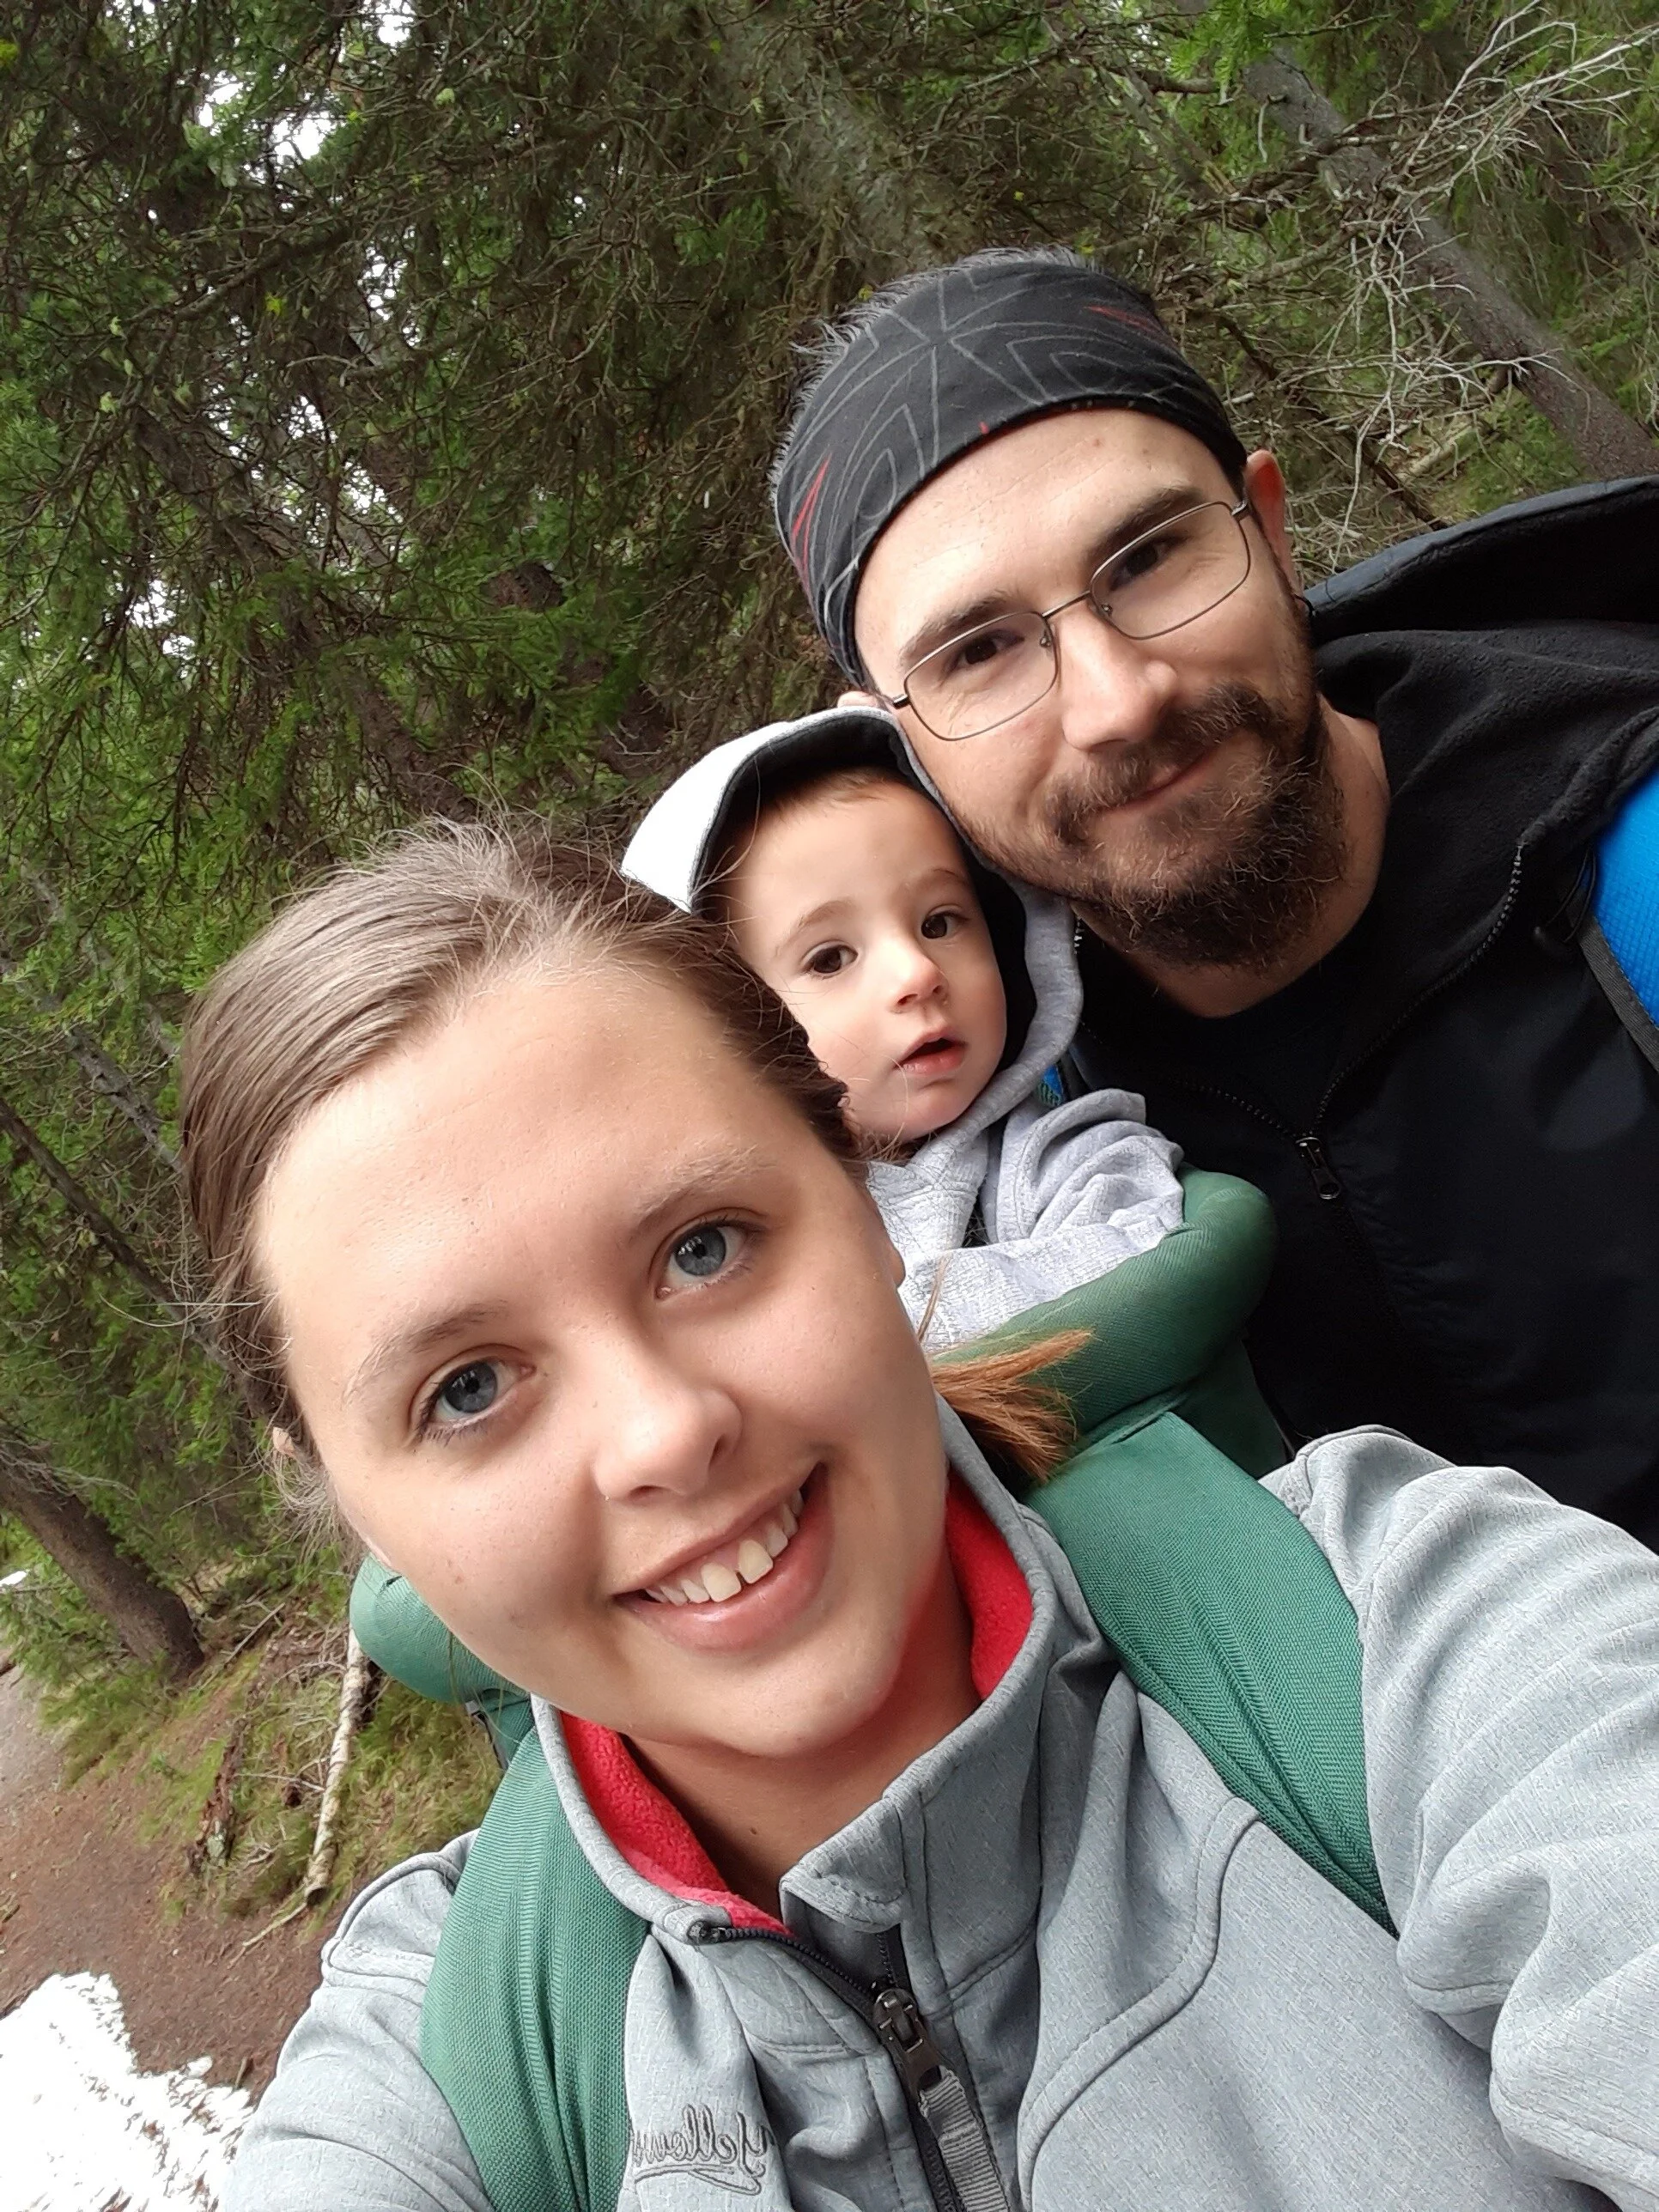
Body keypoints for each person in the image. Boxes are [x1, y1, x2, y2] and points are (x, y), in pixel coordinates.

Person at [183, 822, 1659, 2211]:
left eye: (704, 1248)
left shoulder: (1393, 1628)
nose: (663, 1433)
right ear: (347, 1501)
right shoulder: (451, 2047)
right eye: (465, 1389)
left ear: (863, 1199)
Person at [772, 244, 1659, 1540]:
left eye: (1146, 560)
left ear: (1271, 529)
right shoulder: (1005, 1132)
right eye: (979, 650)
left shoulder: (1624, 860)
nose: (1117, 700)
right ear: (899, 738)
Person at [621, 704, 1184, 1346]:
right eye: (831, 959)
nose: (918, 972)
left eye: (939, 922)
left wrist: (869, 1330)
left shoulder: (1045, 1155)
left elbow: (1150, 1243)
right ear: (718, 1031)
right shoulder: (714, 1237)